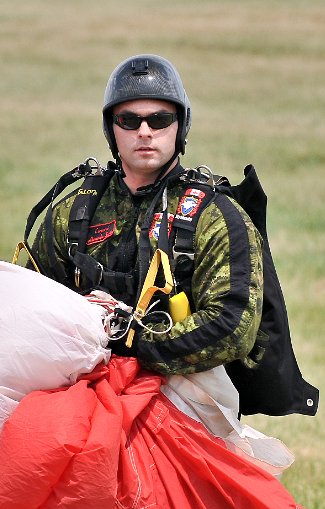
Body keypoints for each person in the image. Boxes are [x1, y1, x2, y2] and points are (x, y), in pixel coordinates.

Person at [29, 54, 264, 377]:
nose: (144, 132)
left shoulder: (214, 217)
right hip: (79, 377)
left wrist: (131, 342)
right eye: (128, 120)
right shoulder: (75, 212)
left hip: (183, 389)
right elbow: (29, 307)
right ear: (111, 128)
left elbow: (233, 326)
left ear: (181, 125)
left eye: (159, 120)